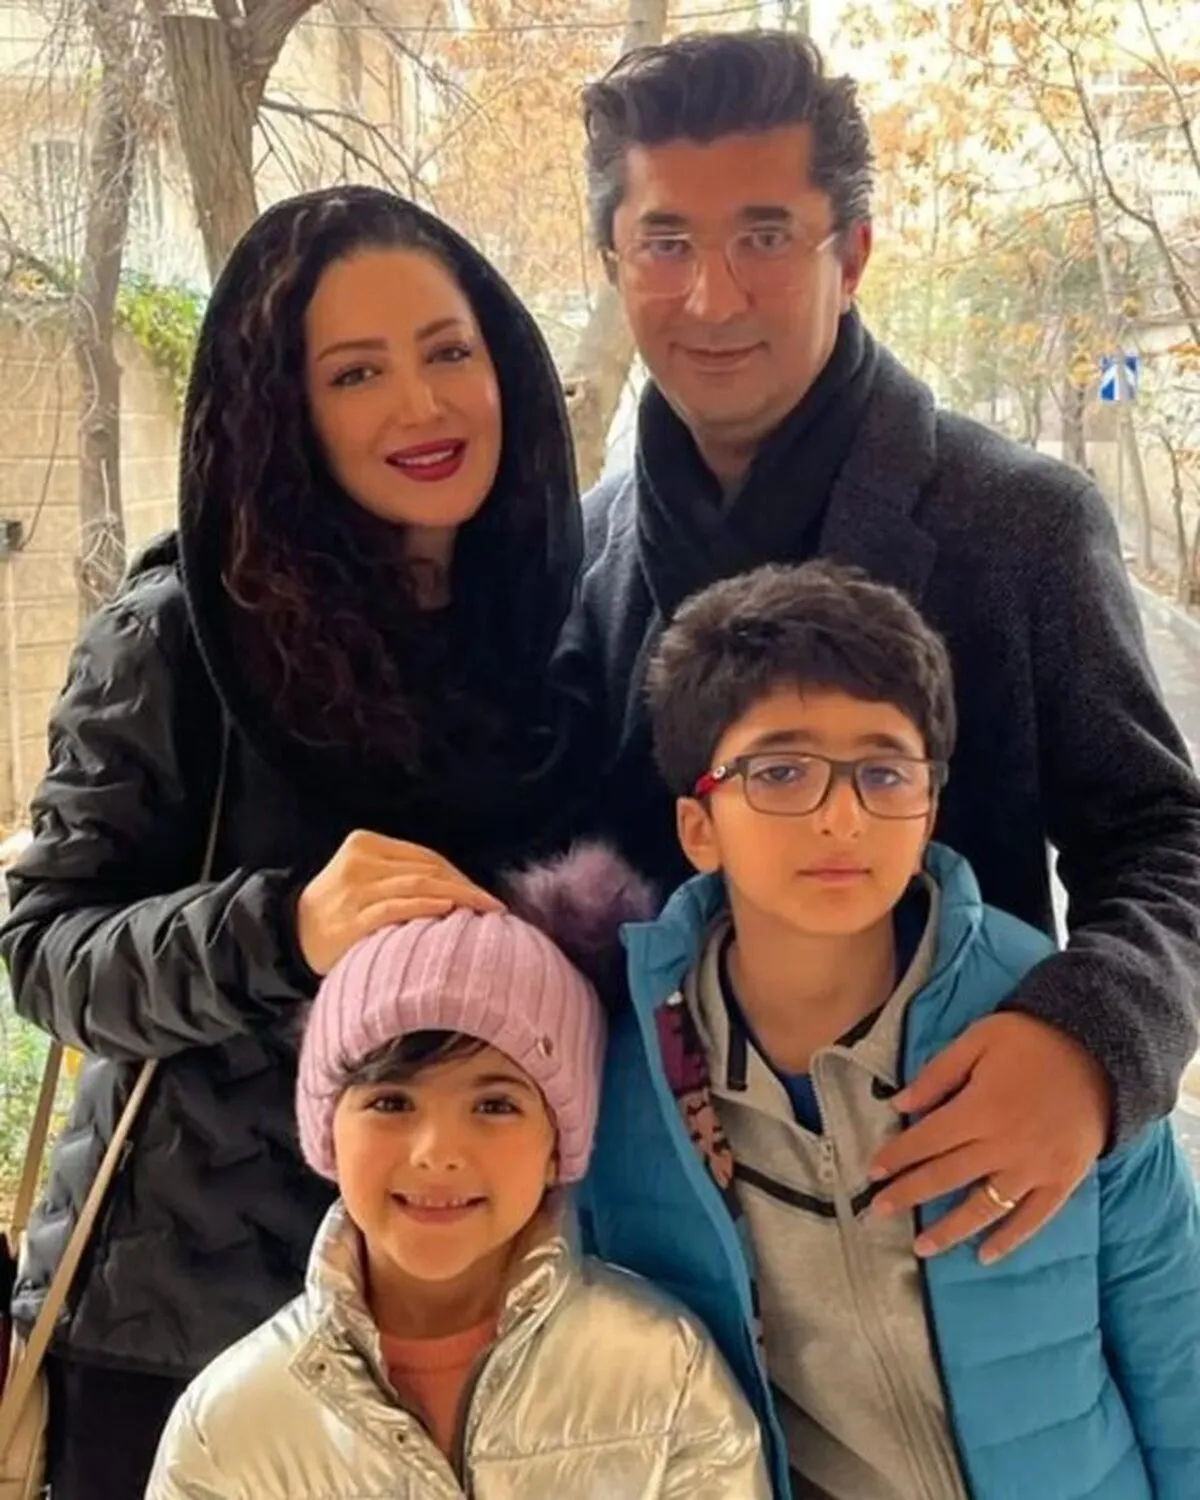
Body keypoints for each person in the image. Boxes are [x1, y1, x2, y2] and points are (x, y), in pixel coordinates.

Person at [570, 30, 1200, 1263]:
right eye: (667, 243)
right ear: (613, 262)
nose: (713, 297)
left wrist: (1090, 1041)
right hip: (664, 1252)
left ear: (851, 253)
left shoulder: (1017, 522)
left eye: (764, 237)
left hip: (957, 1226)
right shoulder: (580, 555)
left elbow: (1165, 838)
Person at [0, 186, 589, 1500]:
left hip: (464, 1326)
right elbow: (45, 953)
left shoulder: (549, 636)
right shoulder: (182, 635)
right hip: (183, 1328)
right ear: (288, 410)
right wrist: (283, 927)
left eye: (447, 351)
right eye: (356, 372)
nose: (421, 404)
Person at [579, 560, 1200, 1500]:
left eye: (882, 773)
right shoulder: (633, 1083)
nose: (842, 817)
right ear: (698, 827)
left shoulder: (1051, 1024)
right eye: (780, 772)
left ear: (928, 811)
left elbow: (1173, 1336)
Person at [145, 852, 771, 1499]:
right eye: (392, 1102)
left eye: (494, 1106)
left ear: (559, 1143)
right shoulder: (230, 1424)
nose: (437, 1152)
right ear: (327, 1128)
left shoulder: (665, 1374)